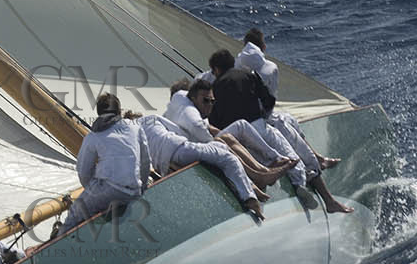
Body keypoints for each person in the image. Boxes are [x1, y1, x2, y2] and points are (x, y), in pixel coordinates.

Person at [209, 49, 353, 214]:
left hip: (239, 139)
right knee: (291, 156)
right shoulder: (248, 75)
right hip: (260, 126)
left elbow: (215, 119)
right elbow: (268, 99)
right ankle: (307, 187)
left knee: (269, 160)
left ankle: (272, 193)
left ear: (217, 69)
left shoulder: (215, 87)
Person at [236, 28, 341, 173]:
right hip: (259, 118)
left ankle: (318, 158)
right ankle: (311, 165)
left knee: (290, 119)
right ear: (263, 47)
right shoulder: (270, 68)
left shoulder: (236, 66)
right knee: (284, 126)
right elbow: (270, 101)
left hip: (249, 116)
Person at [166, 78, 295, 195]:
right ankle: (263, 170)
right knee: (230, 137)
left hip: (200, 142)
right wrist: (224, 138)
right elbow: (201, 130)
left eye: (212, 101)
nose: (209, 105)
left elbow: (209, 128)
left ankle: (270, 163)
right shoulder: (190, 116)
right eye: (205, 101)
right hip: (194, 149)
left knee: (238, 127)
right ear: (191, 98)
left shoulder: (185, 106)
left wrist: (223, 134)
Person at [138, 107, 264, 222]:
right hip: (179, 149)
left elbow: (143, 161)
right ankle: (250, 198)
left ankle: (249, 185)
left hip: (164, 165)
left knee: (220, 146)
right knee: (229, 159)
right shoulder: (151, 119)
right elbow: (179, 132)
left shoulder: (133, 136)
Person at [57, 93, 150, 235]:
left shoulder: (93, 137)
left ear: (99, 113)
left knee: (76, 211)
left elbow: (83, 171)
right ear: (119, 111)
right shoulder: (135, 127)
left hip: (109, 190)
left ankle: (61, 239)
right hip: (134, 190)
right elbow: (145, 160)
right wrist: (142, 187)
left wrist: (93, 191)